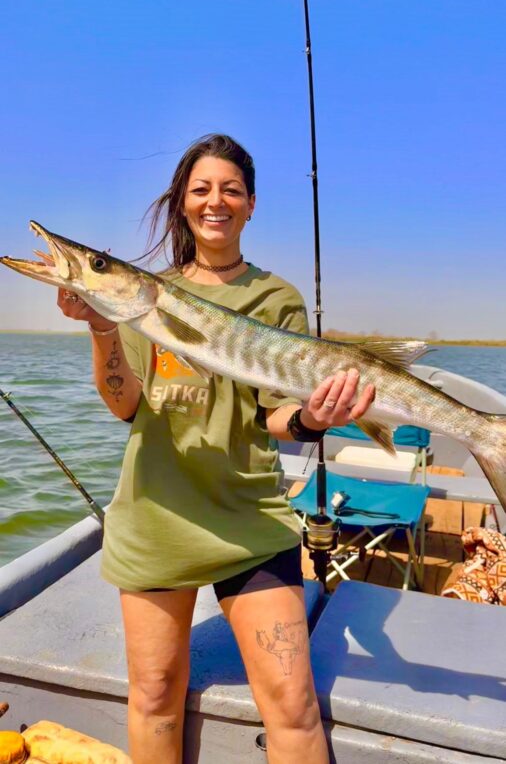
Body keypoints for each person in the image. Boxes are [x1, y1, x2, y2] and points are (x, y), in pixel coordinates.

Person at [58, 134, 375, 764]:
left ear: (251, 204)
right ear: (181, 203)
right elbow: (126, 405)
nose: (216, 201)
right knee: (152, 696)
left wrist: (314, 419)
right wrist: (101, 324)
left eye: (231, 189)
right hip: (156, 519)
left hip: (247, 518)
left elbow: (273, 414)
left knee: (293, 705)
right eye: (201, 189)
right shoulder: (144, 295)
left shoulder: (275, 299)